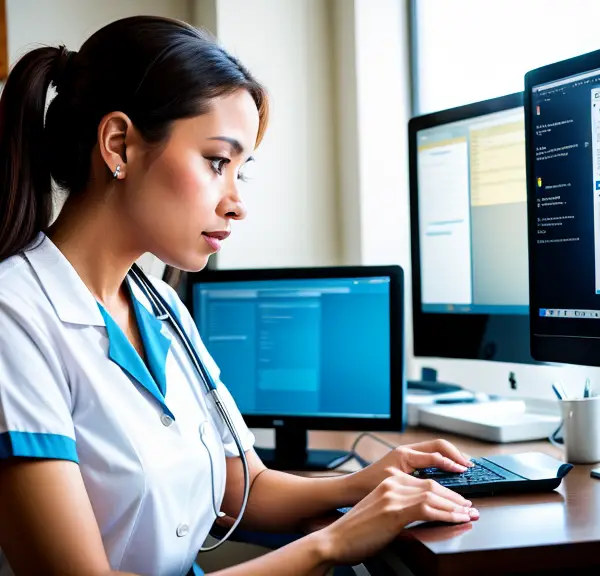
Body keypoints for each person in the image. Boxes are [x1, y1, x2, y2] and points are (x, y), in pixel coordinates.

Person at [0, 15, 478, 576]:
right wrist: (330, 544)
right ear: (118, 145)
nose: (236, 202)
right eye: (217, 162)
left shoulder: (160, 307)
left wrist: (371, 479)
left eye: (240, 172)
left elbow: (245, 485)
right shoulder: (15, 318)